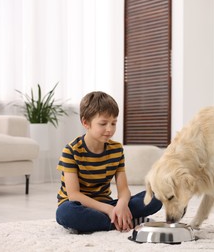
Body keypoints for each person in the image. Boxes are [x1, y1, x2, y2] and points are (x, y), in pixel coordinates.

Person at [55, 91, 162, 234]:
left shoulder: (116, 149)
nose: (109, 129)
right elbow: (74, 195)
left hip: (106, 203)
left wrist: (121, 205)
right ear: (85, 122)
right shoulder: (71, 150)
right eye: (103, 124)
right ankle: (121, 221)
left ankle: (111, 220)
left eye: (113, 123)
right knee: (65, 213)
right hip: (78, 205)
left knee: (157, 196)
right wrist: (110, 210)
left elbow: (123, 190)